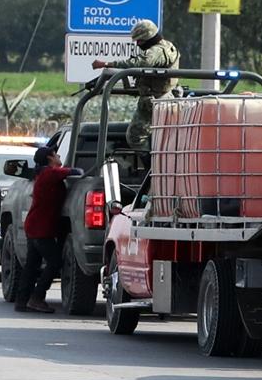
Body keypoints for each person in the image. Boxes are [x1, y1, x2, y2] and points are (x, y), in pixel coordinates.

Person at [91, 19, 180, 149]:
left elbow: (141, 63)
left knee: (135, 137)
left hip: (155, 100)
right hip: (162, 98)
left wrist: (107, 63)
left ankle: (151, 166)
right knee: (159, 137)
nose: (138, 44)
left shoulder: (156, 51)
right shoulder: (167, 46)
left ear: (148, 38)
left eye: (140, 41)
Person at [15, 146, 82, 313]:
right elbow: (75, 171)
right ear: (50, 158)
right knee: (55, 262)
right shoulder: (49, 173)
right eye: (56, 154)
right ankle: (37, 297)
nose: (59, 156)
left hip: (36, 226)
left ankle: (22, 301)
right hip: (41, 229)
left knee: (32, 265)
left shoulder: (43, 174)